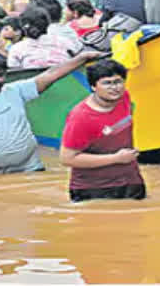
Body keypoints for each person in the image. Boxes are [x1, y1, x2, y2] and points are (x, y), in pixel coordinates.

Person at [0, 48, 103, 179]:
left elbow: (51, 75)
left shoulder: (16, 90)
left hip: (29, 166)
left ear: (5, 75)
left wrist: (82, 57)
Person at [59, 59, 146, 202]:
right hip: (92, 189)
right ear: (93, 86)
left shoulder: (124, 97)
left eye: (118, 81)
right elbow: (67, 158)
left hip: (131, 180)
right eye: (107, 83)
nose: (115, 88)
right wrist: (116, 158)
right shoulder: (81, 117)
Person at [6, 6, 76, 69]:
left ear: (23, 27)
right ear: (48, 23)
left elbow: (14, 75)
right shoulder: (66, 42)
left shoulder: (16, 49)